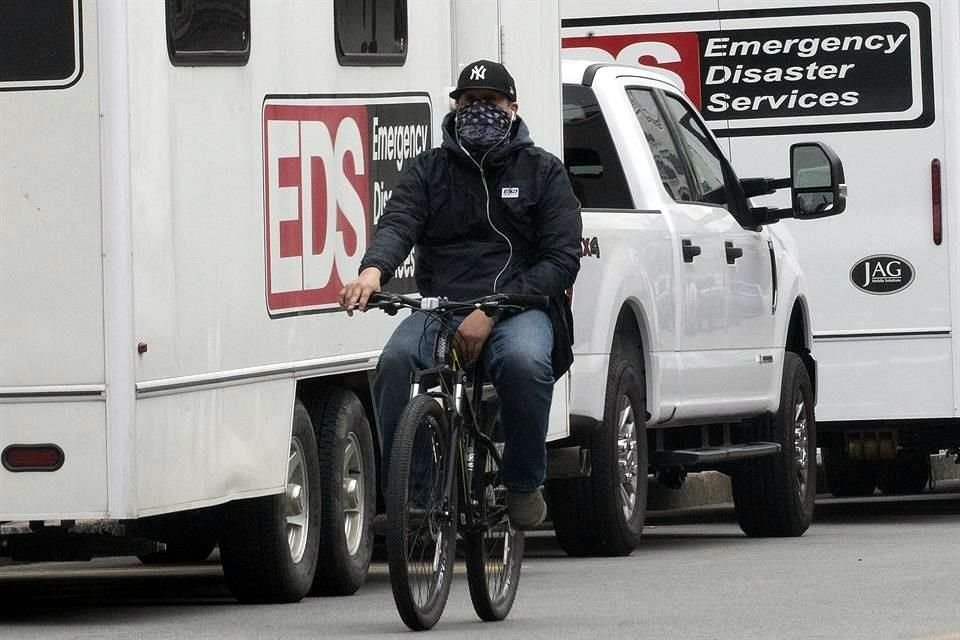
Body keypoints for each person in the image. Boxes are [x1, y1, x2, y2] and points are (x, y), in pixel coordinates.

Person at [338, 59, 582, 529]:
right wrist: (372, 272)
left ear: (513, 108)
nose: (478, 111)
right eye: (469, 103)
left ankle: (523, 483)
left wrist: (493, 308)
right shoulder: (428, 170)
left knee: (526, 364)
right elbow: (399, 223)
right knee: (394, 362)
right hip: (444, 308)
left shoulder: (543, 172)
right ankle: (416, 497)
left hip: (518, 307)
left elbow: (561, 259)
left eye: (490, 102)